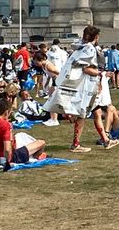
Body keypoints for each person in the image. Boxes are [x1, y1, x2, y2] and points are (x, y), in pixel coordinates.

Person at [44, 25, 106, 153]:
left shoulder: (79, 48)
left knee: (89, 113)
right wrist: (100, 74)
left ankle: (104, 140)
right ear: (96, 37)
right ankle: (77, 144)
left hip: (78, 85)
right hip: (84, 87)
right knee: (83, 114)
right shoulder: (89, 49)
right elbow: (86, 68)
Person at [0, 96, 46, 169]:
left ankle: (33, 156)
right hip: (5, 159)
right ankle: (35, 157)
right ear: (6, 112)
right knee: (41, 142)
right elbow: (7, 149)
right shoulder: (4, 125)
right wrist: (7, 163)